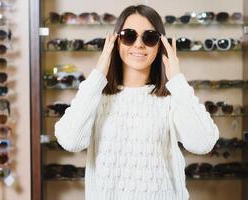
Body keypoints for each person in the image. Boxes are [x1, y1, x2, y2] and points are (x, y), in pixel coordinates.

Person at [55, 4, 219, 200]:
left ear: (160, 45)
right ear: (116, 42)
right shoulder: (95, 97)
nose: (139, 44)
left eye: (149, 37)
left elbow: (203, 143)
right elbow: (70, 141)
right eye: (128, 35)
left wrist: (177, 79)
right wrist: (99, 73)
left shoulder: (171, 98)